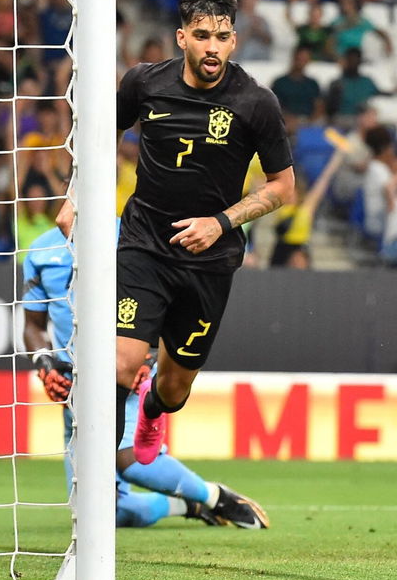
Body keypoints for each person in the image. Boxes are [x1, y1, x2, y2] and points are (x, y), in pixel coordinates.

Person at [116, 0, 295, 465]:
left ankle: (153, 409)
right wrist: (77, 197)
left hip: (208, 260)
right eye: (201, 36)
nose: (211, 47)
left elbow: (282, 187)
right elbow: (98, 134)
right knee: (120, 362)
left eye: (221, 37)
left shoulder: (256, 103)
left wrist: (221, 222)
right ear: (181, 38)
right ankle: (99, 484)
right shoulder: (143, 83)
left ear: (233, 41)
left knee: (175, 387)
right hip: (144, 244)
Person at [23, 206, 269, 529]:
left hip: (127, 368)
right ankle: (189, 506)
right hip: (73, 383)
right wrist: (44, 363)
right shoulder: (40, 251)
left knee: (130, 459)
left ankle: (215, 497)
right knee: (102, 512)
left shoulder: (133, 234)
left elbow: (163, 296)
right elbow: (33, 324)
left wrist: (150, 354)